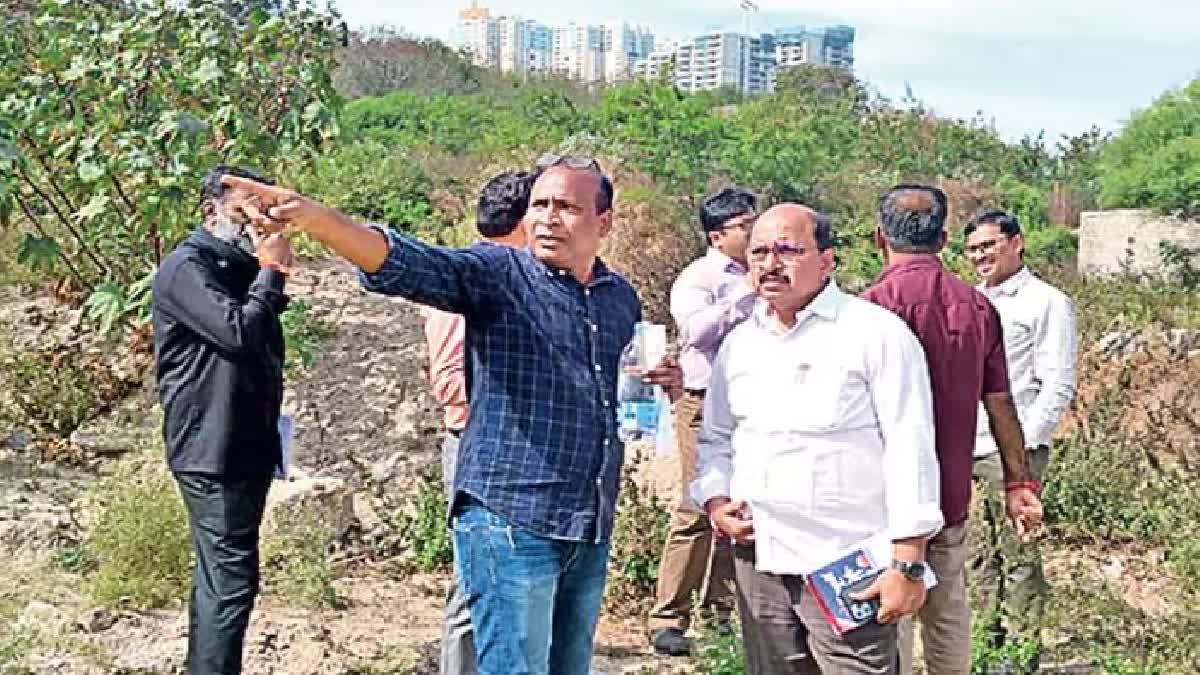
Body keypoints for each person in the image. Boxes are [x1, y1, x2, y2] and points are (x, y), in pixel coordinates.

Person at [221, 154, 682, 675]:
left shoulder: (617, 297)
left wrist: (662, 381)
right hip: (511, 516)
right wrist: (319, 220)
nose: (549, 218)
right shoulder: (499, 274)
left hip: (587, 522)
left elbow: (610, 389)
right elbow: (406, 262)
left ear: (604, 222)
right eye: (540, 205)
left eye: (567, 207)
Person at [693, 204, 945, 675]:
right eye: (760, 252)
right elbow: (717, 439)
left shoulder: (875, 334)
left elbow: (911, 449)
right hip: (761, 559)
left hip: (847, 563)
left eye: (788, 250)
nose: (771, 264)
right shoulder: (740, 345)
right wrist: (715, 500)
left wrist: (908, 563)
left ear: (827, 260)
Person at [860, 186, 1044, 675]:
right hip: (949, 492)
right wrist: (1019, 481)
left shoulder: (867, 309)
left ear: (880, 238)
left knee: (888, 612)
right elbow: (1001, 403)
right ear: (943, 239)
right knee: (948, 611)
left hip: (883, 497)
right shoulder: (977, 307)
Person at [151, 165, 293, 674]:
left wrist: (265, 272)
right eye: (244, 211)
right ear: (211, 210)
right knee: (231, 582)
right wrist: (272, 272)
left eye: (262, 211)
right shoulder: (186, 268)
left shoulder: (234, 266)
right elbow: (237, 332)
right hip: (211, 450)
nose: (256, 222)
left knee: (221, 578)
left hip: (243, 445)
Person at [421, 170, 535, 675]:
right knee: (476, 580)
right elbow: (449, 380)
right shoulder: (470, 276)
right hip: (477, 442)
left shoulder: (522, 276)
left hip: (513, 445)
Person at [965, 209, 1077, 672]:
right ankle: (983, 643)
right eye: (972, 249)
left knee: (1019, 551)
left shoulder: (1045, 302)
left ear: (1016, 243)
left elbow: (1057, 383)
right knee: (975, 553)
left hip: (1012, 449)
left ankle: (1019, 652)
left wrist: (1022, 452)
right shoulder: (970, 300)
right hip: (967, 444)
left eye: (988, 246)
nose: (980, 257)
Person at [648, 186, 757, 657]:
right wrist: (744, 295)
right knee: (698, 505)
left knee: (743, 506)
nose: (754, 233)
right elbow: (692, 332)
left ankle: (722, 614)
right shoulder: (700, 278)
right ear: (718, 235)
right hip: (702, 399)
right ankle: (668, 617)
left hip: (751, 404)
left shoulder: (766, 273)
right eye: (744, 226)